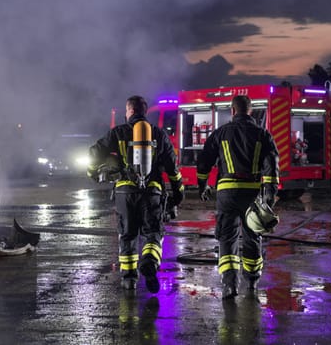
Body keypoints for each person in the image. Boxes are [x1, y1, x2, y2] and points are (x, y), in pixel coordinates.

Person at [87, 95, 184, 292]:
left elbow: (95, 153)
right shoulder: (158, 134)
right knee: (153, 233)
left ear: (129, 111)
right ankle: (149, 261)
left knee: (127, 234)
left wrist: (93, 172)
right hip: (152, 193)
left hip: (124, 192)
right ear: (145, 112)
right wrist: (177, 193)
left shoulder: (117, 132)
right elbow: (172, 168)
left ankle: (129, 279)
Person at [196, 95, 279, 299]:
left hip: (227, 193)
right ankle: (251, 280)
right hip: (252, 193)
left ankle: (230, 285)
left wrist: (202, 185)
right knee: (253, 235)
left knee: (227, 237)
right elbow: (271, 165)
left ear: (233, 111)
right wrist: (270, 195)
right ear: (250, 111)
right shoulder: (263, 134)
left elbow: (204, 161)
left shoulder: (220, 133)